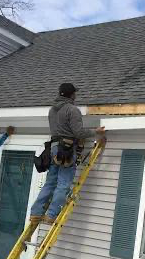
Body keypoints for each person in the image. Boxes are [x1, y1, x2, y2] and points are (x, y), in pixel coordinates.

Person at [30, 83, 105, 224]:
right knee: (63, 184)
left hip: (53, 148)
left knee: (50, 182)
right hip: (67, 150)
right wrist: (96, 132)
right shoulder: (72, 110)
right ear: (72, 94)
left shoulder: (52, 110)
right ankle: (51, 215)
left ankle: (36, 213)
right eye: (75, 93)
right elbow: (79, 132)